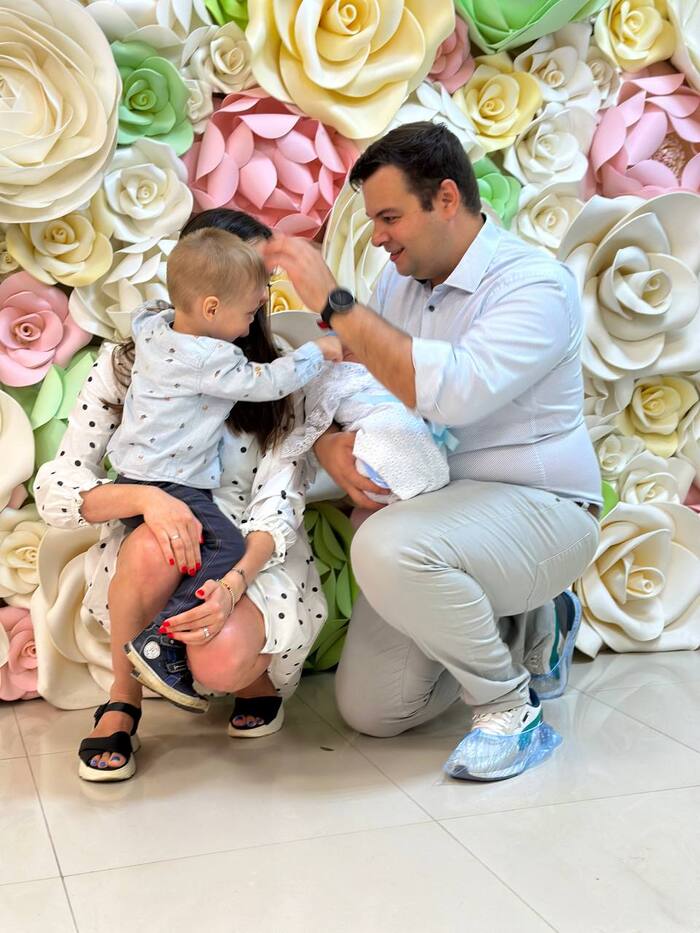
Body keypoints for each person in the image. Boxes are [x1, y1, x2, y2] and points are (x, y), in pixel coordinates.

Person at [264, 121, 602, 782]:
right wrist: (329, 444)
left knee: (385, 544)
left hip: (544, 508)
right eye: (373, 220)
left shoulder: (535, 284)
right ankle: (529, 626)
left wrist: (335, 302)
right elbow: (363, 377)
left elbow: (451, 395)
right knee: (375, 710)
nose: (378, 236)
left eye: (390, 217)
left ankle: (510, 711)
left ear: (446, 198)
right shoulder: (401, 281)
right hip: (442, 510)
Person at [34, 210, 328, 783]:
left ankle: (249, 678)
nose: (260, 296)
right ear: (208, 296)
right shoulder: (131, 360)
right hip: (159, 538)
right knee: (155, 539)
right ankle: (125, 695)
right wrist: (147, 500)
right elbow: (60, 482)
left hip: (252, 550)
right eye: (248, 280)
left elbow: (278, 501)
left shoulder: (273, 373)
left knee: (220, 655)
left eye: (262, 282)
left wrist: (233, 584)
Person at [109, 229, 340, 712]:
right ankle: (161, 641)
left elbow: (153, 308)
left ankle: (181, 643)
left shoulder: (153, 330)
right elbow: (270, 381)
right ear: (212, 308)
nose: (256, 317)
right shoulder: (209, 358)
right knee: (225, 547)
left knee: (200, 551)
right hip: (168, 485)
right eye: (251, 310)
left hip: (132, 475)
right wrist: (320, 351)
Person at [280, 341, 451, 503]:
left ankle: (410, 466)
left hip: (405, 418)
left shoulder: (394, 361)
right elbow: (318, 409)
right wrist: (323, 441)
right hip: (370, 427)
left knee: (404, 422)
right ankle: (387, 467)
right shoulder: (332, 376)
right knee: (388, 424)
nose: (347, 348)